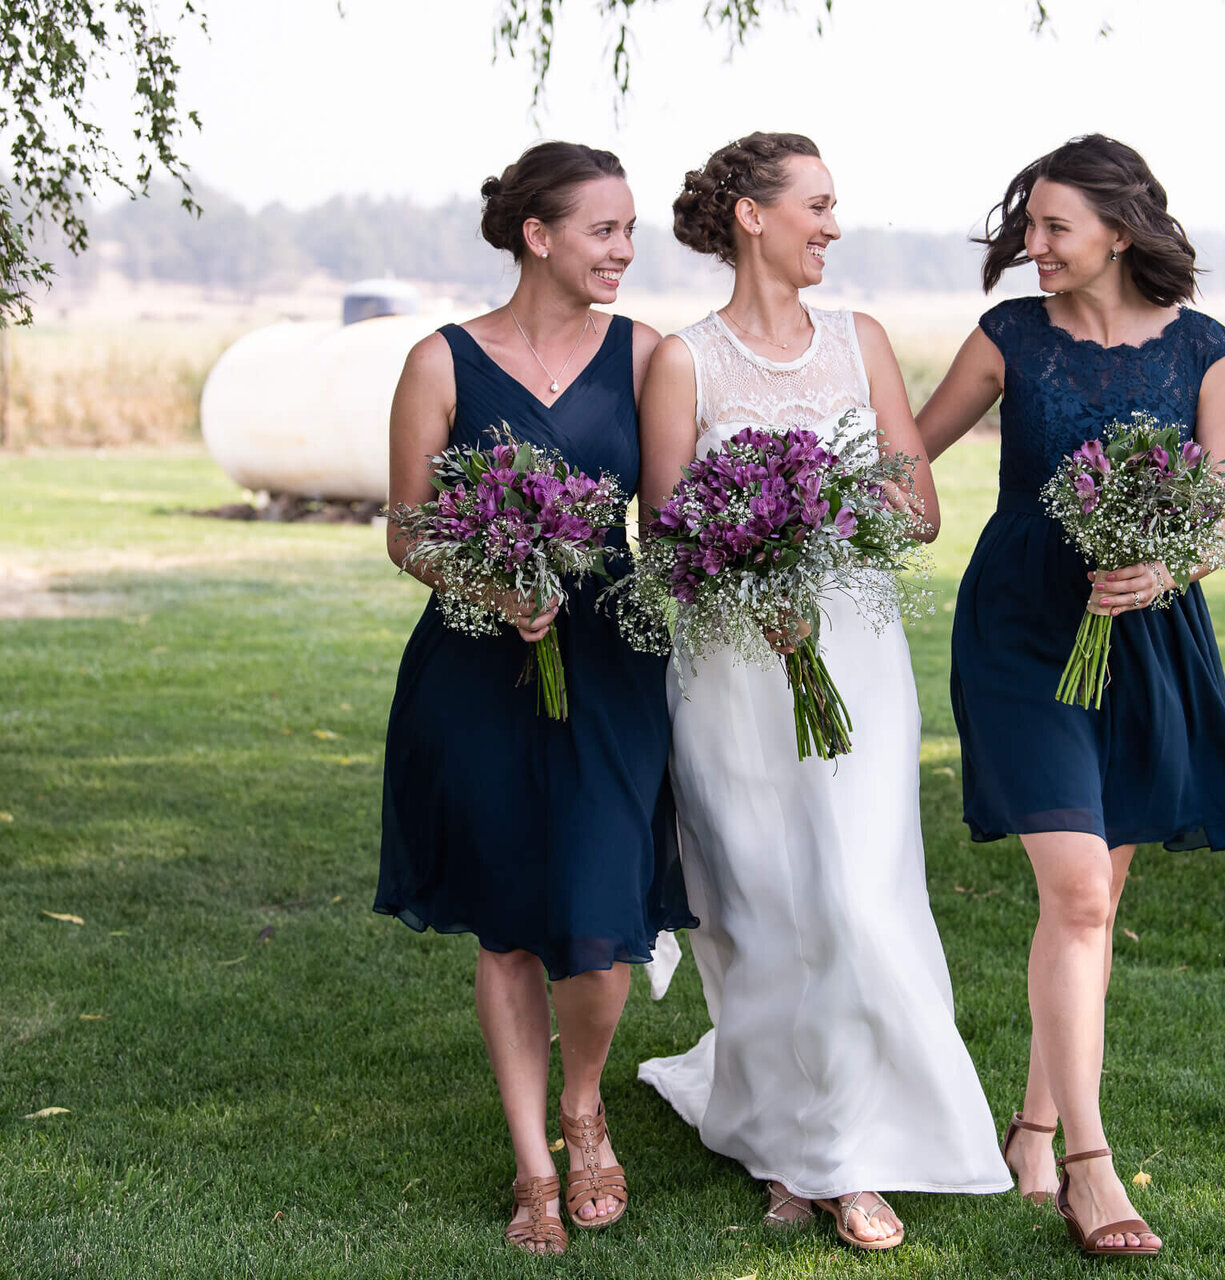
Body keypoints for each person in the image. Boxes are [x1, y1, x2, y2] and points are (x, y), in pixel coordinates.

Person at [634, 131, 1011, 1251]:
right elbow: (663, 542)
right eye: (818, 204)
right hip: (731, 668)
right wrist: (749, 569)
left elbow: (920, 506)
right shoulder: (682, 361)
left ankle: (844, 1154)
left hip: (849, 648)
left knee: (853, 896)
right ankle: (781, 1138)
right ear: (752, 214)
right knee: (755, 909)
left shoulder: (862, 341)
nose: (834, 226)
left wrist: (813, 522)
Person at [916, 133, 1225, 1259]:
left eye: (1053, 227)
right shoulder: (1009, 337)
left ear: (1119, 229)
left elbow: (1222, 507)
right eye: (1026, 226)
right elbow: (908, 451)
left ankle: (1029, 1123)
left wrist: (1171, 564)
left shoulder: (1204, 349)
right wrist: (775, 512)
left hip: (1143, 631)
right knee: (1074, 891)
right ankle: (1089, 1161)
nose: (1032, 246)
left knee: (1089, 906)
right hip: (1020, 628)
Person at [374, 141, 695, 1257]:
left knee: (601, 923)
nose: (625, 248)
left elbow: (667, 524)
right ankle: (532, 1165)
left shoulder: (648, 354)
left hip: (610, 663)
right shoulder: (441, 362)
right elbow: (407, 528)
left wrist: (761, 563)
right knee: (510, 921)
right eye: (604, 229)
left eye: (628, 230)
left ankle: (584, 1101)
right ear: (538, 235)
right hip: (475, 667)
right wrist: (487, 581)